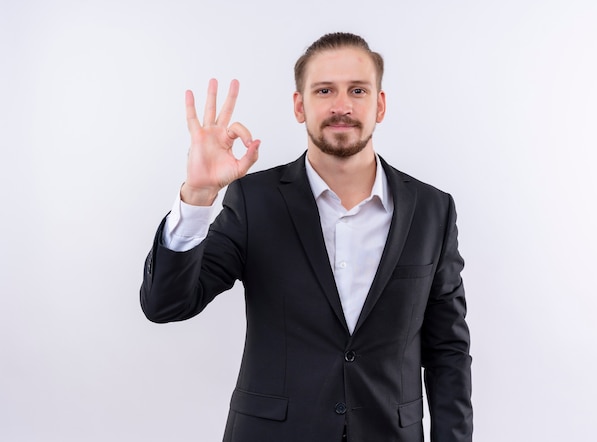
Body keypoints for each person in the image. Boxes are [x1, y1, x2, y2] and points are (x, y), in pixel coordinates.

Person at [140, 32, 472, 442]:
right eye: (324, 90)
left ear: (379, 105)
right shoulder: (254, 201)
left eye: (357, 90)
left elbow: (448, 353)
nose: (341, 106)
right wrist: (198, 196)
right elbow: (165, 304)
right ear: (300, 106)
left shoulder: (432, 210)